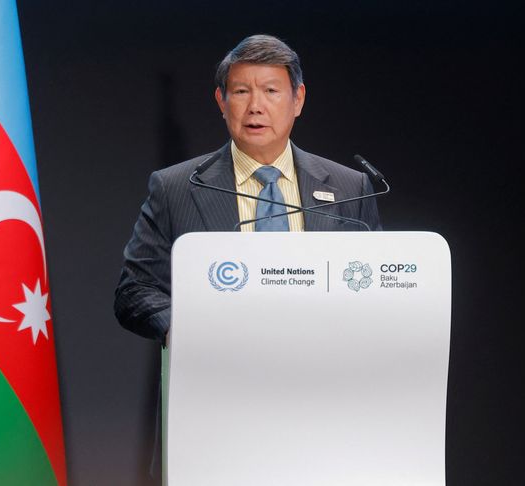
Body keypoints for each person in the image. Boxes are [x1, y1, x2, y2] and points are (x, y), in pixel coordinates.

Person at [115, 34, 381, 344]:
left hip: (323, 368)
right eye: (241, 92)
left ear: (298, 100)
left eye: (271, 91)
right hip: (219, 373)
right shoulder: (176, 188)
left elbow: (374, 287)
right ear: (221, 102)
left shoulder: (350, 187)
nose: (256, 106)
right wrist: (186, 332)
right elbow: (134, 291)